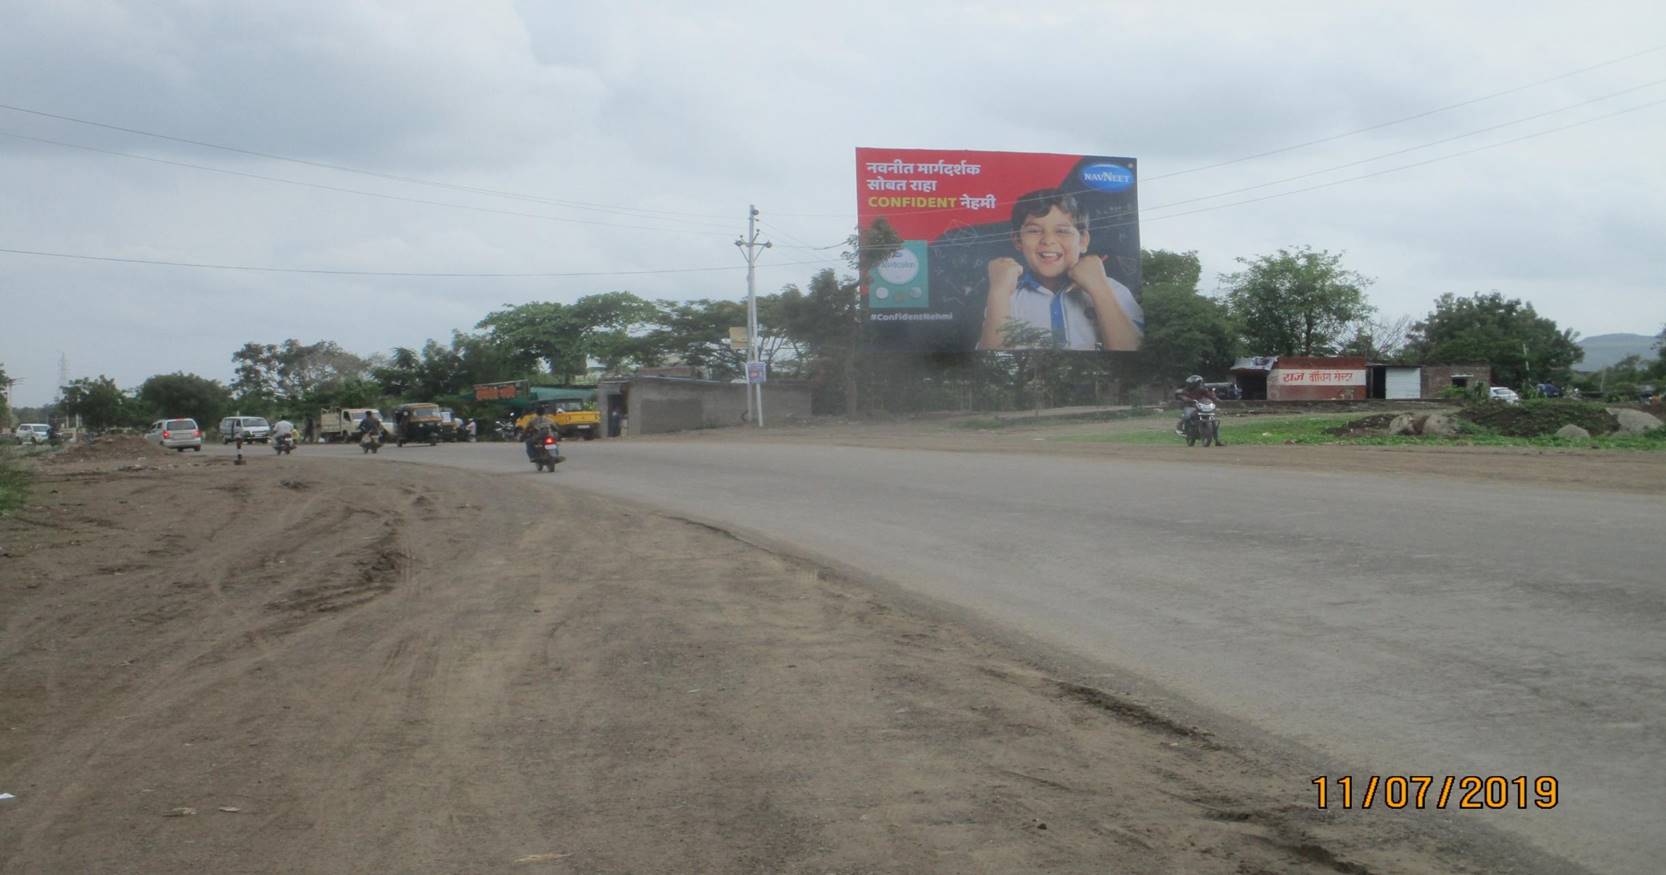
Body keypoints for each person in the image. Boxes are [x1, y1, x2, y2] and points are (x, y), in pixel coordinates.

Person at [978, 188, 1144, 352]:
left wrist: (1099, 288)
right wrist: (998, 292)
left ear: (1083, 241)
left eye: (1062, 231)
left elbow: (1132, 352)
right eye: (1034, 231)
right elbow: (991, 362)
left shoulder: (1112, 290)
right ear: (1017, 240)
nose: (1048, 240)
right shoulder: (1006, 297)